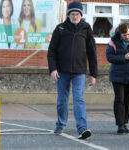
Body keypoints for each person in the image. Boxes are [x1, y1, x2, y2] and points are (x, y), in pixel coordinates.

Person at [47, 1, 98, 140]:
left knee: (78, 99)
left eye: (77, 14)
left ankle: (82, 128)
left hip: (79, 72)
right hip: (62, 71)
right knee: (62, 100)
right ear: (68, 15)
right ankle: (60, 124)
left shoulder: (86, 29)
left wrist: (93, 74)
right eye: (72, 14)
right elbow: (51, 51)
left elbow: (92, 53)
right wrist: (53, 69)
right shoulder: (60, 29)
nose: (74, 16)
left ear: (81, 15)